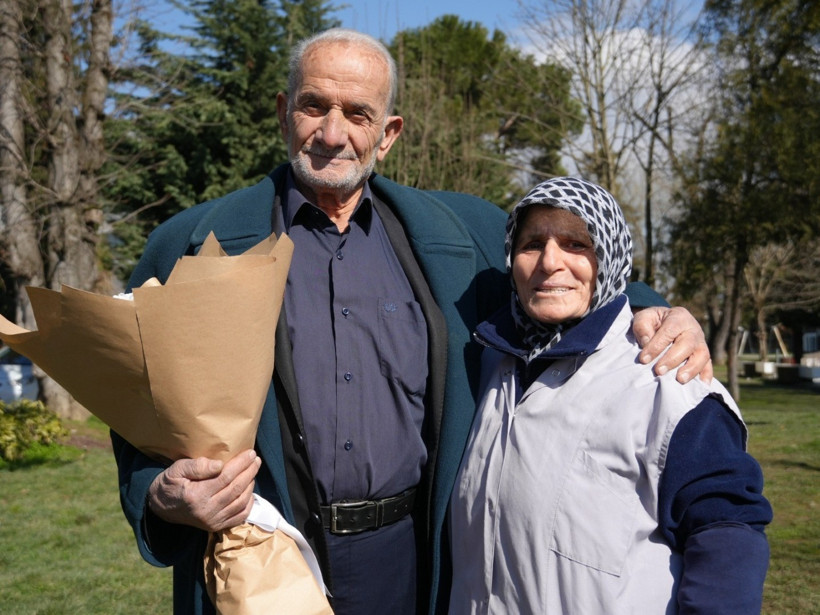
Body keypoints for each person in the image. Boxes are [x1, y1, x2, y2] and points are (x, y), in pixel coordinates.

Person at [113, 30, 712, 615]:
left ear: (388, 134)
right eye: (313, 106)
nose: (331, 133)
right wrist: (160, 495)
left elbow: (561, 267)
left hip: (414, 556)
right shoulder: (187, 245)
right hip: (259, 554)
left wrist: (653, 306)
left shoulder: (458, 232)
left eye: (358, 113)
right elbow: (136, 406)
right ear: (282, 111)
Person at [448, 177, 772, 614]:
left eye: (576, 244)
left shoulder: (667, 380)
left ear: (611, 256)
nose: (550, 262)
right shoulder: (492, 365)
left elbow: (727, 534)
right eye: (531, 245)